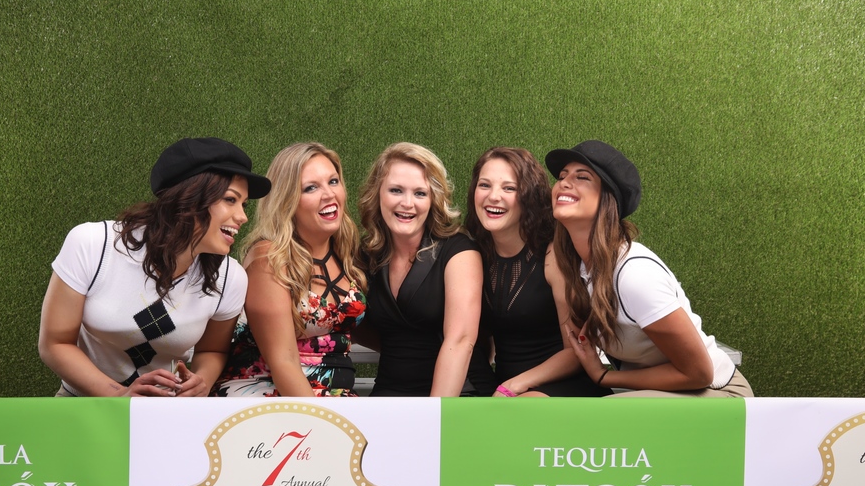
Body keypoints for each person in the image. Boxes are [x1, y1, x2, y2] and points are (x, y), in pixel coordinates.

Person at [39, 137, 269, 396]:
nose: (243, 217)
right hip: (82, 402)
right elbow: (55, 344)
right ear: (188, 197)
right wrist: (119, 396)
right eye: (230, 199)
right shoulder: (93, 244)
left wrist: (201, 382)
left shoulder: (229, 277)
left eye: (243, 204)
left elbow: (212, 350)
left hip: (164, 410)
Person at [546, 140, 753, 397]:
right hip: (657, 392)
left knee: (600, 415)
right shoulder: (581, 270)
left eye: (582, 177)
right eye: (562, 176)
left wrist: (603, 376)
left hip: (715, 392)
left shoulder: (634, 274)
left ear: (607, 200)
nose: (564, 183)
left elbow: (699, 373)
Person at [211, 143, 367, 397]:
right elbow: (283, 362)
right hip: (270, 395)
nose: (329, 194)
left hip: (332, 395)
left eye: (333, 181)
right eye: (311, 188)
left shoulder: (345, 252)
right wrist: (320, 418)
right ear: (287, 200)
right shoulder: (269, 257)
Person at [464, 147, 610, 398]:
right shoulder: (473, 253)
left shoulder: (552, 254)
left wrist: (513, 386)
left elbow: (576, 350)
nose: (493, 196)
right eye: (484, 185)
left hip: (562, 386)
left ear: (528, 196)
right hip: (505, 390)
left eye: (509, 188)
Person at [357, 142, 483, 397]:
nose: (407, 203)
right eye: (396, 190)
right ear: (377, 193)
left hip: (454, 398)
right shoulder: (367, 255)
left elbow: (460, 341)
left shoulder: (459, 250)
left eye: (420, 193)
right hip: (389, 393)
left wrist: (431, 414)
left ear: (433, 199)